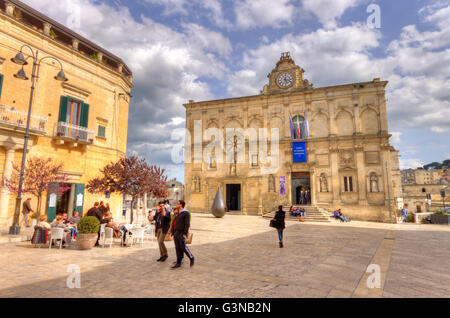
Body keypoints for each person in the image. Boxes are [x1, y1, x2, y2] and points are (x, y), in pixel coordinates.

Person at [171, 200, 194, 269]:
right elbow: (175, 223)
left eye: (178, 204)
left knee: (183, 247)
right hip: (176, 233)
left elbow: (187, 224)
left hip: (182, 233)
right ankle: (178, 262)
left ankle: (191, 257)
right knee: (177, 248)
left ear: (181, 205)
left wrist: (185, 233)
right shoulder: (179, 213)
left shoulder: (186, 213)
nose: (176, 205)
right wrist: (173, 233)